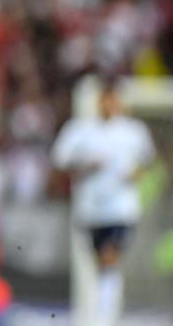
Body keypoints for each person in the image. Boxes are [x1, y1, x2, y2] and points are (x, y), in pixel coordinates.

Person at [52, 82, 156, 326]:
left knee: (110, 256)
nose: (109, 105)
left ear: (119, 102)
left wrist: (135, 174)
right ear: (99, 102)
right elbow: (59, 159)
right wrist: (84, 166)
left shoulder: (133, 131)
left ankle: (105, 318)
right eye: (105, 99)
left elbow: (147, 161)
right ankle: (101, 309)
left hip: (121, 209)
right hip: (90, 209)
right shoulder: (80, 129)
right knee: (100, 261)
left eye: (114, 100)